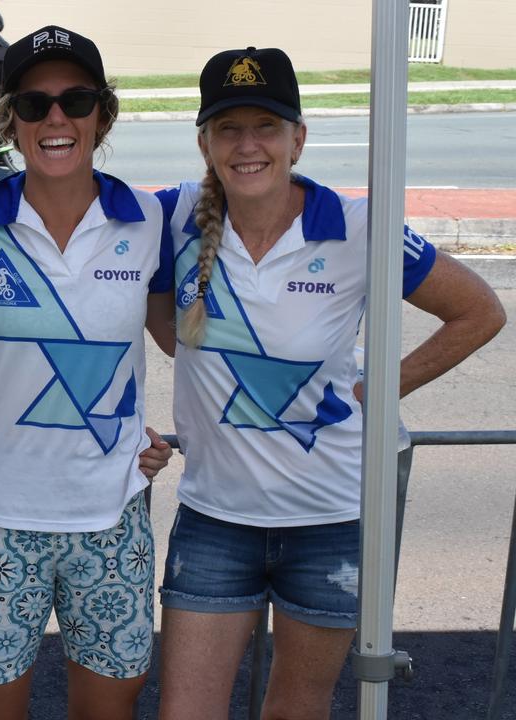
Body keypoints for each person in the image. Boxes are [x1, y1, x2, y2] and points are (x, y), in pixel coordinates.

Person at [153, 47, 506, 720]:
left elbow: (479, 311)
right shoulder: (170, 216)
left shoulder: (357, 227)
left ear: (299, 138)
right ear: (204, 142)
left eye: (266, 126)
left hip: (333, 521)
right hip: (214, 520)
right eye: (229, 128)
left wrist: (382, 391)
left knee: (296, 709)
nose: (248, 145)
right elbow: (88, 226)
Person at [0, 25, 175, 719]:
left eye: (76, 100)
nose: (55, 119)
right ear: (9, 120)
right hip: (1, 520)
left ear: (103, 115)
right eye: (33, 105)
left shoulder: (152, 219)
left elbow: (197, 338)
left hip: (113, 518)